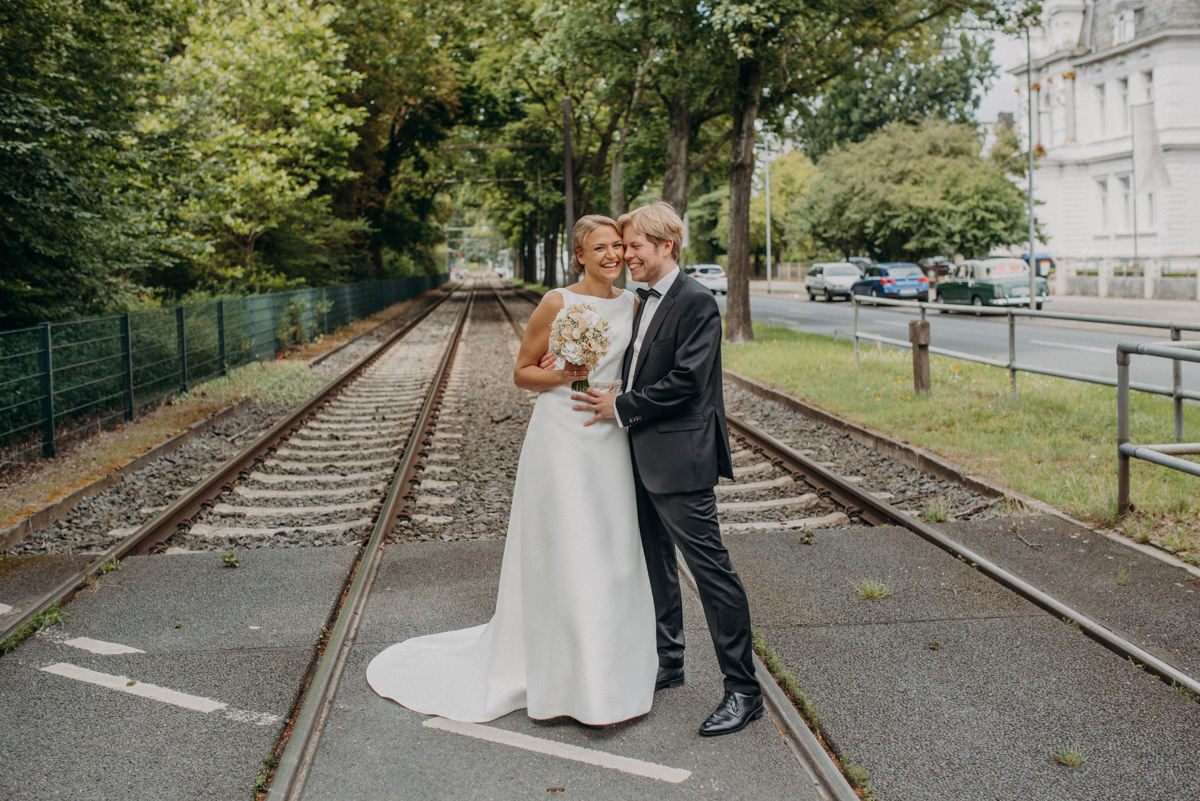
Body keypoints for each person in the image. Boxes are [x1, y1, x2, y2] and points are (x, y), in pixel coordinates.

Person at [366, 215, 657, 726]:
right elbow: (522, 373)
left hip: (610, 435)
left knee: (611, 547)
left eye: (617, 245)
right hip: (561, 433)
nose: (613, 255)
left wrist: (620, 396)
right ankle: (552, 668)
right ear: (579, 256)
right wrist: (561, 373)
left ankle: (606, 669)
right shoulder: (556, 303)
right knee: (561, 542)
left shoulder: (634, 303)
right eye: (600, 247)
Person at [573, 202, 762, 737]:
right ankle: (669, 662)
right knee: (655, 564)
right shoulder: (639, 300)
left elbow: (687, 381)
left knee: (711, 571)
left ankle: (744, 691)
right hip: (637, 455)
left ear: (666, 247)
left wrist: (623, 407)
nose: (624, 255)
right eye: (622, 246)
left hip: (680, 457)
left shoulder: (697, 300)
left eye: (633, 247)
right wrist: (607, 389)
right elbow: (637, 366)